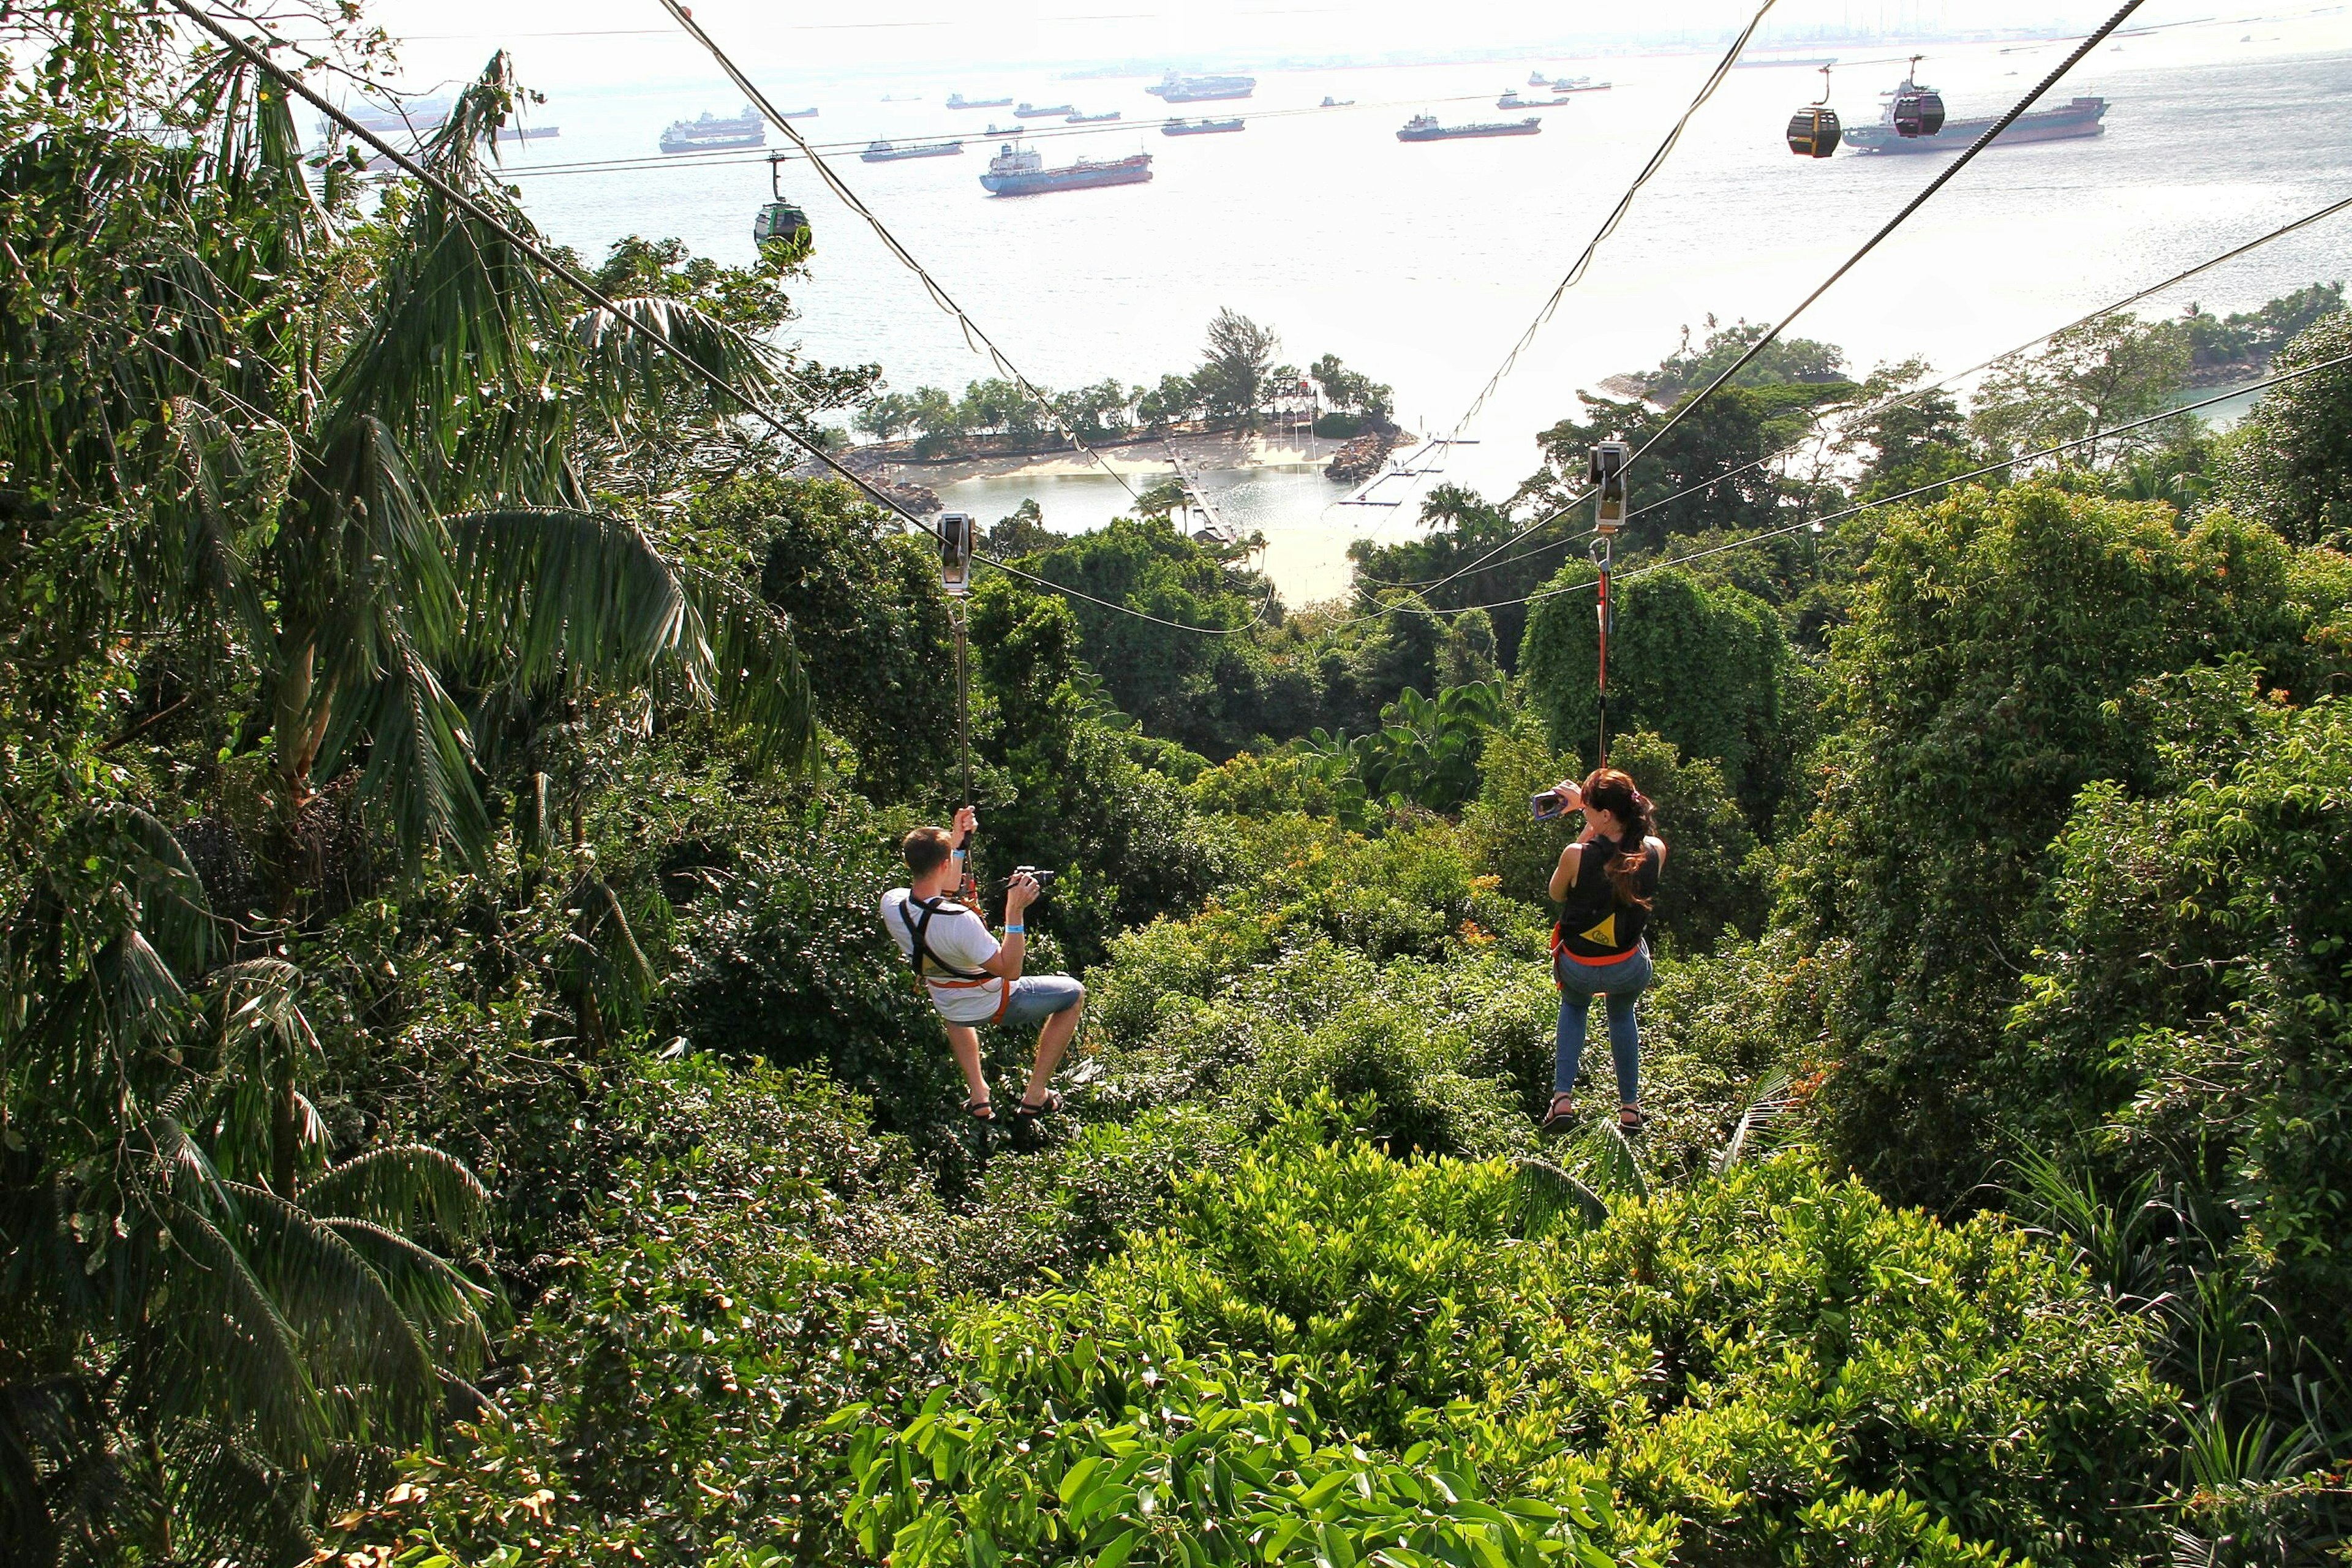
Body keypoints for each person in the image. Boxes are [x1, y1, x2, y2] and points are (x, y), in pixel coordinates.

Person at [880, 805, 1083, 1121]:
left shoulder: (892, 903)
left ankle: (979, 1094)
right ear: (945, 863)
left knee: (953, 1000)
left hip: (948, 1002)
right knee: (1074, 993)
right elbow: (1009, 970)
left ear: (909, 863)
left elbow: (941, 891)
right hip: (993, 1002)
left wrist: (958, 842)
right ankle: (1036, 1094)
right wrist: (1014, 912)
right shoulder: (960, 921)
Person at [1539, 767, 1667, 1134]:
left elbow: (1558, 894)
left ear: (1604, 816)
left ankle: (1562, 1099)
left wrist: (1587, 816)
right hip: (1626, 968)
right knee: (1622, 1013)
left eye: (1588, 809)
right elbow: (1628, 843)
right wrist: (1598, 804)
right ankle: (1630, 1106)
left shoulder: (1575, 855)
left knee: (1575, 1006)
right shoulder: (1656, 851)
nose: (1583, 812)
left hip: (1579, 966)